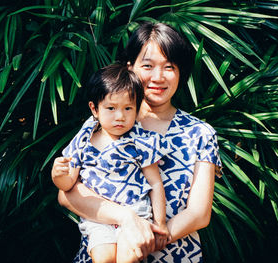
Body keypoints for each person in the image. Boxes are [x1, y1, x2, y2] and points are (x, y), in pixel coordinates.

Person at [52, 22, 222, 262]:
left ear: (180, 71)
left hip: (172, 253)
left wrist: (143, 239)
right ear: (130, 67)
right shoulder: (101, 123)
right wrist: (126, 219)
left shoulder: (200, 133)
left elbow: (199, 213)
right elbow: (66, 194)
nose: (158, 77)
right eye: (148, 65)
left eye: (169, 67)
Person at [52, 64, 171, 263]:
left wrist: (160, 222)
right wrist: (58, 175)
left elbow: (156, 183)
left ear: (137, 108)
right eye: (111, 108)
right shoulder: (84, 139)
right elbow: (68, 185)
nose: (120, 116)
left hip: (136, 212)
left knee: (128, 257)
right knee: (103, 258)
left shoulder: (140, 140)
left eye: (128, 108)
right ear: (94, 109)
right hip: (98, 216)